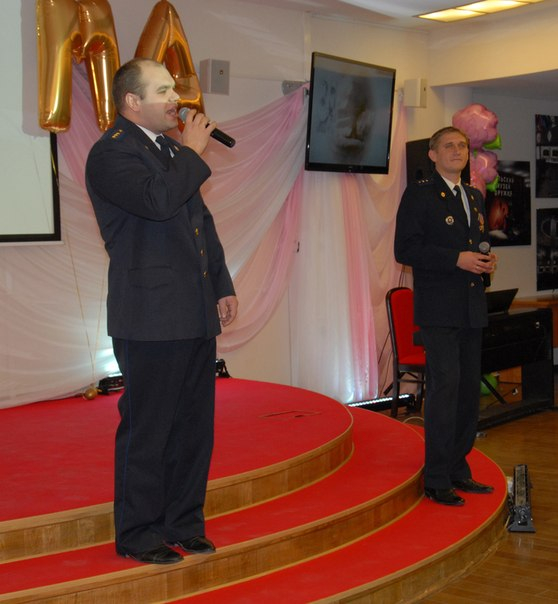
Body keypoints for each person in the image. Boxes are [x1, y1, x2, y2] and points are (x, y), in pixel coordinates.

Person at [85, 58, 238, 564]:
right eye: (164, 91)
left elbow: (201, 223)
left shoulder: (171, 150)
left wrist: (221, 284)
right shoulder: (111, 153)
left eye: (174, 89)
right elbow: (157, 201)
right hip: (150, 316)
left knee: (194, 427)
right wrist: (191, 151)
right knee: (149, 430)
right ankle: (139, 533)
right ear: (132, 101)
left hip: (193, 310)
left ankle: (183, 522)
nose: (177, 99)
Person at [394, 126, 497, 507]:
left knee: (468, 391)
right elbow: (405, 249)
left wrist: (485, 262)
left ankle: (457, 467)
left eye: (463, 146)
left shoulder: (474, 196)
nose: (458, 151)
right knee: (446, 388)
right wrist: (457, 259)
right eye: (449, 146)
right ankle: (436, 478)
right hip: (439, 310)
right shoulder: (420, 194)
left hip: (471, 307)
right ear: (433, 155)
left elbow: (474, 247)